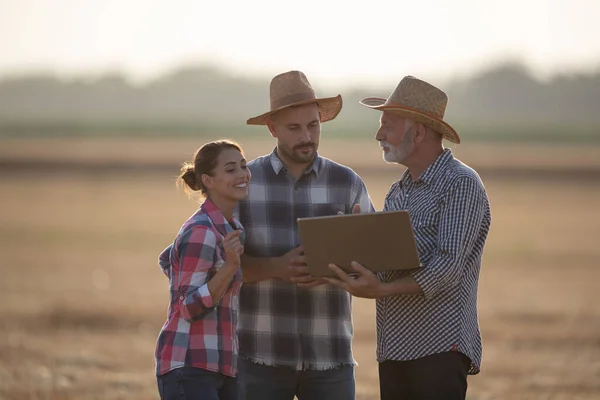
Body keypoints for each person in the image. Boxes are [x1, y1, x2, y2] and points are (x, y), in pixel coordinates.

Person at [324, 76, 492, 400]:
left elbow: (447, 267)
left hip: (439, 349)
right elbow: (391, 262)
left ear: (418, 132)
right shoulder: (398, 191)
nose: (378, 134)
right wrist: (351, 248)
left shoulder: (461, 184)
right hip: (394, 351)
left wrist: (381, 290)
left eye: (388, 124)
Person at [235, 70, 374, 400]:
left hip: (331, 358)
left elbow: (375, 263)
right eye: (294, 128)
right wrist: (277, 267)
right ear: (272, 128)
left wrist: (335, 271)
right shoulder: (243, 183)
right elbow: (215, 266)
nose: (307, 136)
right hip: (258, 357)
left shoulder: (348, 183)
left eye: (313, 125)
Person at [155, 139, 251, 400]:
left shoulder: (230, 228)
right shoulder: (202, 231)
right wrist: (229, 267)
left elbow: (168, 260)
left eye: (243, 166)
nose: (243, 174)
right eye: (231, 169)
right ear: (208, 180)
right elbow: (187, 307)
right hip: (190, 364)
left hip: (221, 364)